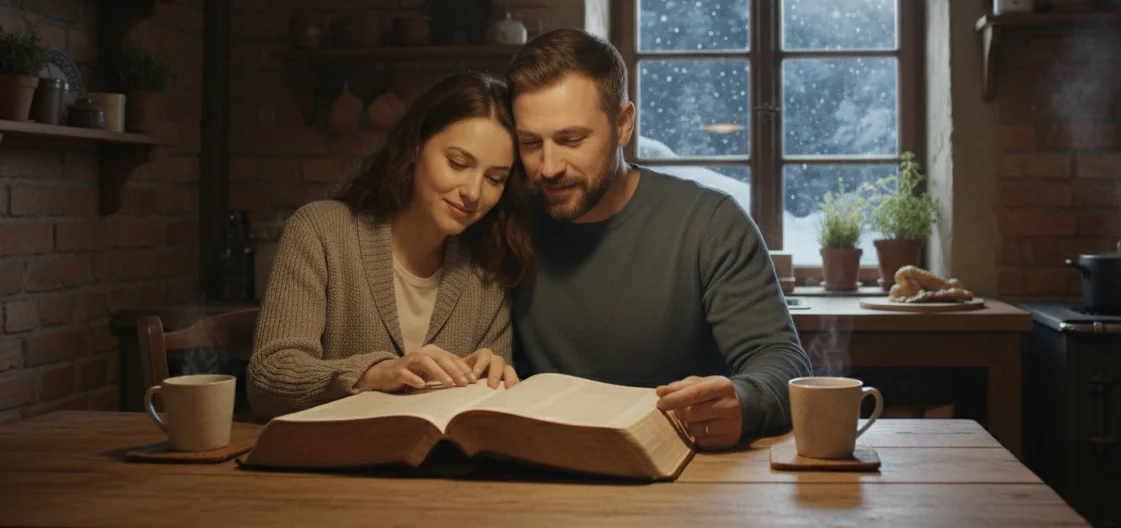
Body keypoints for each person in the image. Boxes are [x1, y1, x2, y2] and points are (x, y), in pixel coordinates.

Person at [506, 28, 811, 449]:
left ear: (623, 123)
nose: (549, 166)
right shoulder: (504, 222)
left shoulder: (709, 222)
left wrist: (742, 399)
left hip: (686, 470)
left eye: (571, 139)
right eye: (530, 143)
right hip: (537, 468)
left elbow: (784, 363)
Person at [247, 71, 534, 420]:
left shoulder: (486, 272)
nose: (474, 192)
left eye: (495, 179)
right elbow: (267, 380)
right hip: (326, 467)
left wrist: (492, 380)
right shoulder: (321, 233)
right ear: (415, 148)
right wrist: (374, 374)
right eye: (458, 163)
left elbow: (484, 419)